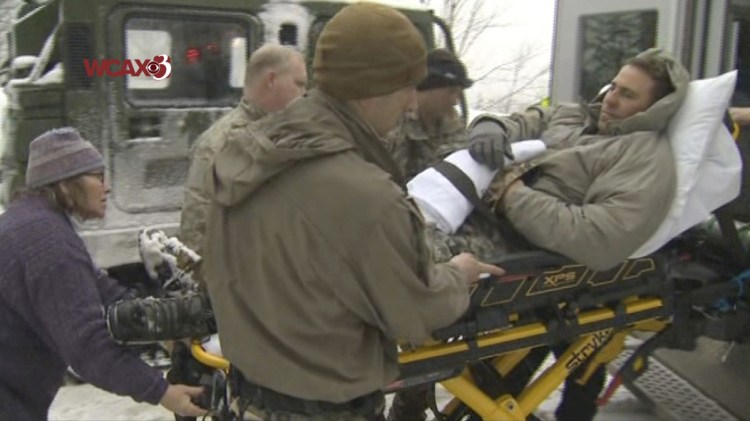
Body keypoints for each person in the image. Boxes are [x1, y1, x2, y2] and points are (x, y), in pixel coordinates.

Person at [201, 3, 504, 419]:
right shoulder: (365, 195)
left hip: (250, 398)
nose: (412, 104)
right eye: (407, 87)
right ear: (371, 88)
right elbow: (417, 313)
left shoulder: (243, 152)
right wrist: (459, 275)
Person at [438, 48, 689, 421]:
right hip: (467, 212)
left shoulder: (643, 159)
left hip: (515, 249)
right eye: (613, 87)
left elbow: (594, 237)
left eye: (628, 95)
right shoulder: (573, 116)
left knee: (399, 261)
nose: (611, 100)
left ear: (654, 109)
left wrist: (510, 193)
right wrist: (489, 126)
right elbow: (525, 122)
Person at [0, 128, 207, 420]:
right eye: (97, 176)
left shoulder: (37, 223)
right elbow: (88, 348)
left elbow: (104, 291)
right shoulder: (48, 243)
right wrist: (163, 392)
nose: (106, 187)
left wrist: (167, 333)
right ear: (64, 183)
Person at [180, 43, 307, 259]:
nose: (304, 94)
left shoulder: (290, 134)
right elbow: (198, 226)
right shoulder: (223, 143)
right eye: (299, 84)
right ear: (272, 80)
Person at [387, 48, 473, 180]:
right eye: (451, 92)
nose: (455, 101)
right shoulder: (392, 124)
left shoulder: (453, 125)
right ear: (429, 88)